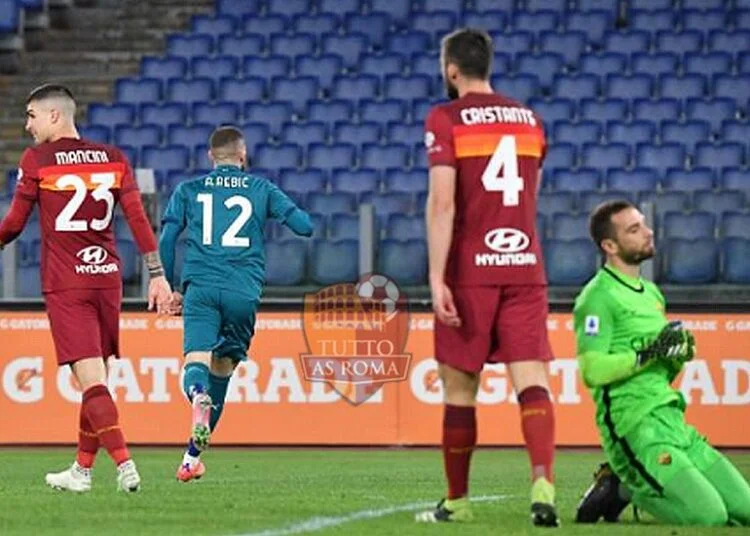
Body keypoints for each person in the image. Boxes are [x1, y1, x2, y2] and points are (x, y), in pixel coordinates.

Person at [415, 29, 558, 527]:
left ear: (451, 69)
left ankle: (457, 501)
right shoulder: (530, 121)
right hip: (524, 267)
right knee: (532, 382)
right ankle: (543, 484)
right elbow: (528, 196)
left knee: (460, 392)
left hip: (471, 269)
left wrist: (436, 277)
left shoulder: (446, 117)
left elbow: (443, 202)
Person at [0, 84, 172, 492]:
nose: (27, 125)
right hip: (106, 281)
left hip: (67, 284)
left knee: (91, 382)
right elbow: (138, 219)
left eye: (32, 115)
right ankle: (81, 470)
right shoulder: (113, 159)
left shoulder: (38, 159)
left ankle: (124, 464)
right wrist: (158, 274)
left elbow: (13, 224)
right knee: (95, 379)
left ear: (54, 116)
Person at [573, 200, 750, 526]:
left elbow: (662, 370)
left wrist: (676, 356)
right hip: (635, 428)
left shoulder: (652, 294)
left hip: (673, 421)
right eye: (634, 229)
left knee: (747, 511)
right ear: (609, 246)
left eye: (643, 224)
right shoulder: (597, 297)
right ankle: (623, 488)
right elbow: (592, 370)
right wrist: (649, 353)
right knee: (709, 517)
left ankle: (631, 485)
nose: (648, 232)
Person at [159, 126, 313, 482]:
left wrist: (168, 285)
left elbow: (167, 237)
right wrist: (279, 212)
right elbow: (304, 226)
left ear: (211, 157)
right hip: (243, 290)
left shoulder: (188, 189)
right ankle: (190, 459)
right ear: (243, 157)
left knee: (195, 361)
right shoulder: (261, 188)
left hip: (200, 286)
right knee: (223, 369)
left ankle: (196, 395)